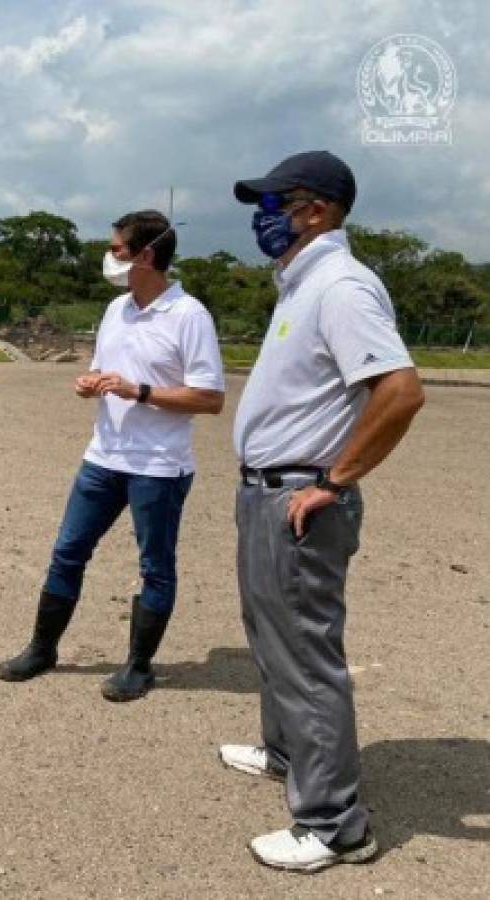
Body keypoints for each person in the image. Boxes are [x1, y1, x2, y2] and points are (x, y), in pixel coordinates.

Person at [224, 150, 425, 871]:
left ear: (316, 208)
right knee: (268, 633)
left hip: (300, 497)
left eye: (273, 201)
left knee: (305, 656)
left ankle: (336, 826)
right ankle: (285, 754)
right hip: (266, 489)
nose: (262, 215)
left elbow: (399, 392)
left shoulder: (340, 285)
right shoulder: (301, 284)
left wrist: (334, 481)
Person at [0, 210, 225, 701]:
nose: (109, 256)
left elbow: (210, 399)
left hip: (158, 467)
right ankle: (42, 648)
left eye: (117, 248)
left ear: (146, 255)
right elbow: (106, 371)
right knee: (67, 552)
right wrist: (91, 383)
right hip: (102, 458)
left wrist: (138, 390)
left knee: (155, 566)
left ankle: (139, 667)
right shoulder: (116, 308)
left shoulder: (189, 316)